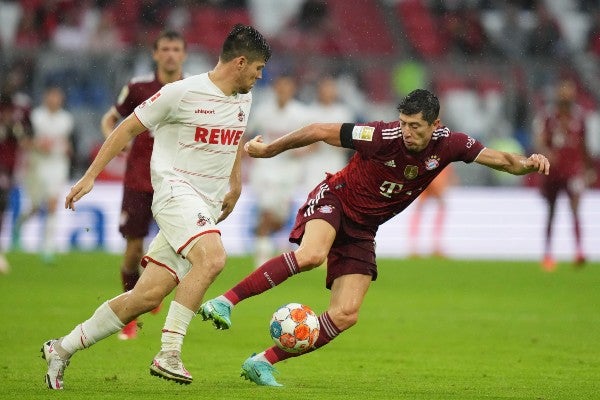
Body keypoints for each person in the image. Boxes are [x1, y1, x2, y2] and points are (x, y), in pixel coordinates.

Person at [199, 88, 550, 387]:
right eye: (403, 123)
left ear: (435, 126)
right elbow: (321, 129)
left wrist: (528, 162)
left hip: (363, 230)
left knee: (346, 313)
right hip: (336, 198)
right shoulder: (382, 136)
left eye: (415, 127)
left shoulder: (452, 144)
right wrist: (268, 150)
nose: (407, 132)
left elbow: (503, 160)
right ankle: (226, 301)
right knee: (311, 255)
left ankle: (263, 361)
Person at [41, 24, 271, 390]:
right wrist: (90, 177)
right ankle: (169, 352)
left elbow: (235, 138)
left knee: (144, 296)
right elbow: (126, 128)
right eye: (258, 68)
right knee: (212, 258)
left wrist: (236, 183)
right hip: (173, 193)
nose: (260, 76)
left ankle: (61, 348)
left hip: (206, 207)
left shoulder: (243, 97)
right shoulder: (180, 92)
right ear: (241, 62)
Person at [100, 30, 187, 340]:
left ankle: (155, 296)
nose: (170, 55)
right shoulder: (138, 89)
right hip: (138, 181)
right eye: (165, 49)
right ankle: (131, 315)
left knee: (183, 251)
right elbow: (110, 120)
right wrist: (118, 143)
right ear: (155, 54)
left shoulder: (193, 90)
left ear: (184, 55)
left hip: (177, 182)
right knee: (133, 248)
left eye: (176, 49)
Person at [247, 73, 311, 267]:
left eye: (287, 88)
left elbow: (313, 141)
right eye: (280, 87)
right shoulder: (263, 111)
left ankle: (269, 241)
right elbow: (249, 134)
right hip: (266, 168)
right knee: (266, 210)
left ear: (292, 90)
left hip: (289, 171)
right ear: (275, 89)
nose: (283, 91)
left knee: (280, 217)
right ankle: (262, 256)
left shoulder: (301, 114)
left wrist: (303, 151)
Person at [533, 79, 596, 271]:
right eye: (563, 92)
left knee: (575, 209)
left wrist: (588, 168)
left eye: (569, 92)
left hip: (573, 171)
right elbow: (540, 140)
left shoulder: (580, 117)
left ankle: (579, 251)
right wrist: (545, 152)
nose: (566, 96)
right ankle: (547, 253)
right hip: (553, 172)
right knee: (551, 212)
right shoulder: (548, 117)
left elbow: (584, 146)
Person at [15, 86, 73, 263]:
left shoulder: (67, 119)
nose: (55, 100)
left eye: (58, 97)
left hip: (57, 165)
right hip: (37, 165)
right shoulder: (35, 117)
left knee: (53, 204)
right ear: (45, 97)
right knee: (34, 207)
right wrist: (38, 145)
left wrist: (67, 149)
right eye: (52, 96)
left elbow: (69, 144)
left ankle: (47, 248)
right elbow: (23, 141)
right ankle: (18, 227)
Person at [302, 75, 355, 193]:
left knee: (334, 198)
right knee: (313, 197)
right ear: (319, 90)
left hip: (336, 162)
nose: (327, 91)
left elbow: (349, 144)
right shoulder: (309, 112)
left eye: (330, 88)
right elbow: (306, 144)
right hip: (314, 163)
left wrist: (327, 138)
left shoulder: (343, 113)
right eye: (324, 88)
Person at [0, 93, 30, 273]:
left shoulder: (15, 126)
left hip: (8, 171)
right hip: (3, 170)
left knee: (3, 208)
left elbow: (25, 139)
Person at [407, 163, 457, 258]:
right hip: (431, 182)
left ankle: (426, 246)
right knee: (427, 210)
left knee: (421, 211)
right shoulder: (442, 157)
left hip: (428, 181)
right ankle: (424, 247)